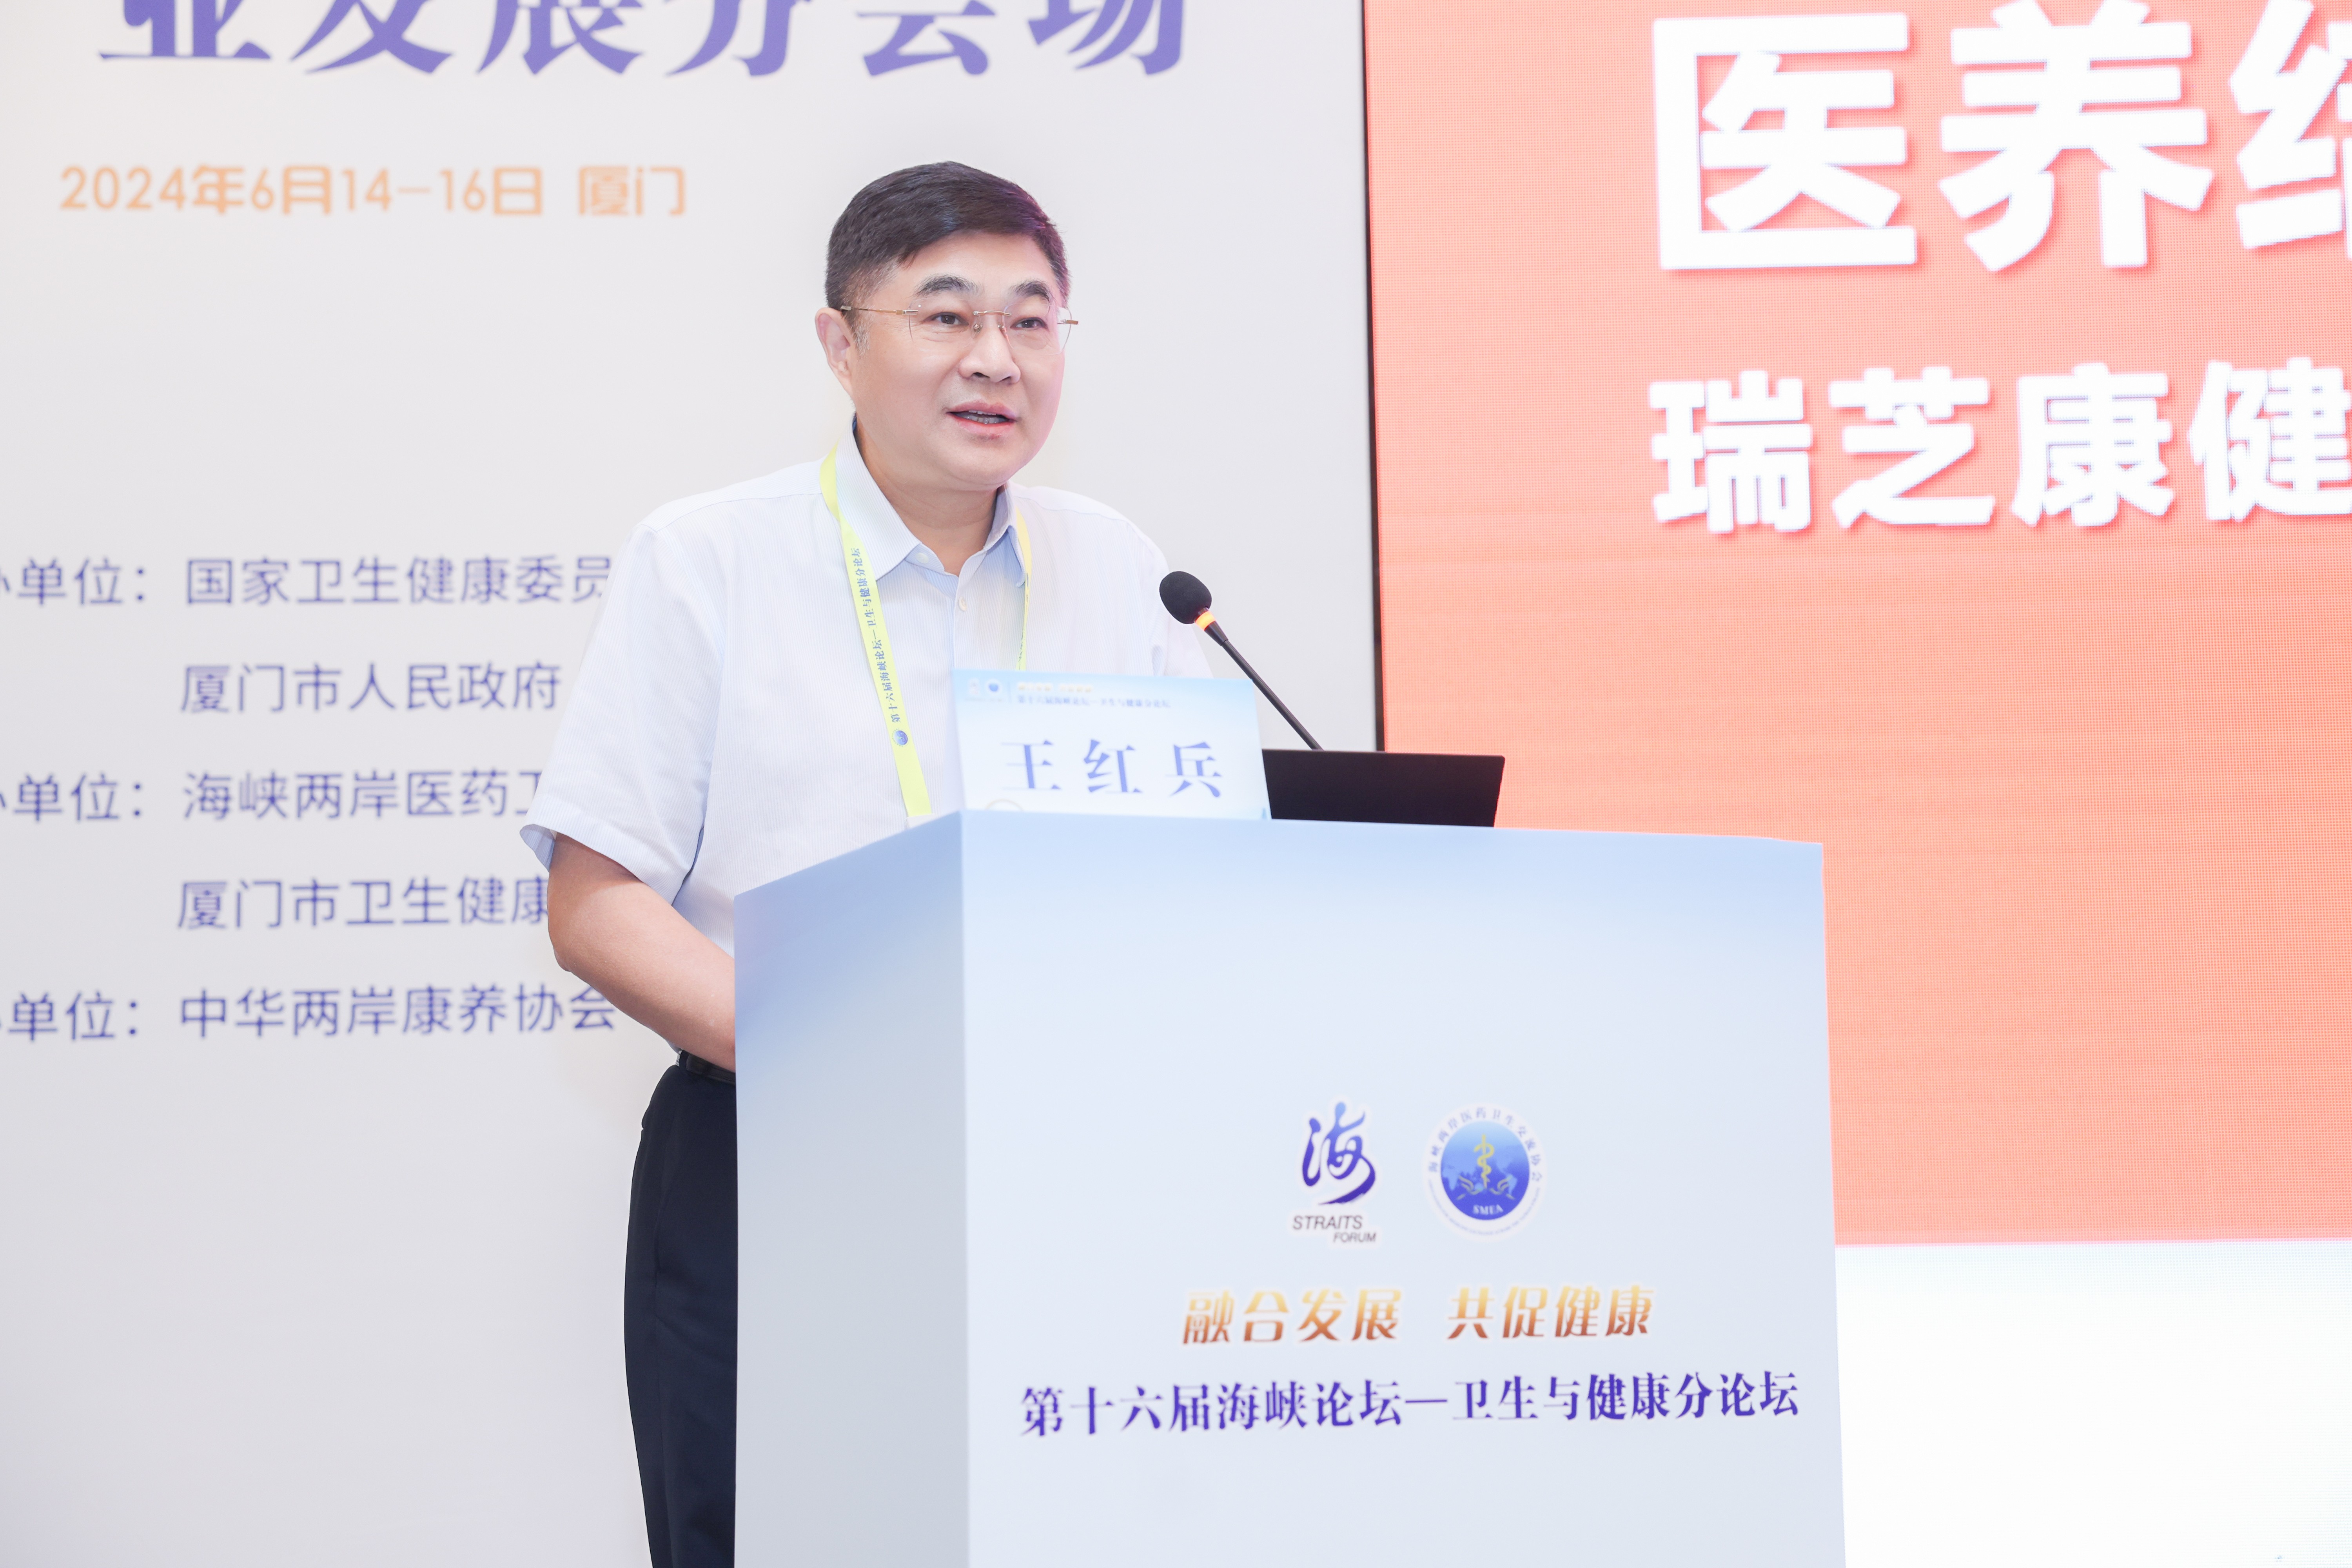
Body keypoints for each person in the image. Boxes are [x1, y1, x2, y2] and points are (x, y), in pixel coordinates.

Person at [519, 162, 1208, 1568]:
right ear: (842, 342)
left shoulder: (1121, 568)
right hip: (782, 1153)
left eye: (1032, 320)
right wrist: (841, 1058)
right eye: (946, 316)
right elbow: (595, 904)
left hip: (1071, 1164)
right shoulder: (709, 559)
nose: (996, 359)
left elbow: (1199, 878)